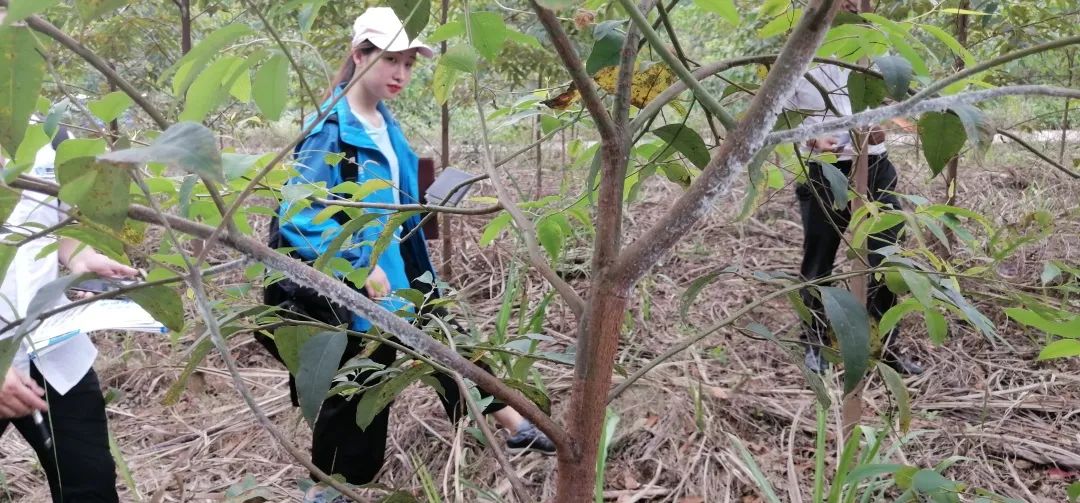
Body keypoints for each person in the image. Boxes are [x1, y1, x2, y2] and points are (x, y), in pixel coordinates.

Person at [260, 8, 553, 500]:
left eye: (409, 64)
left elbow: (394, 199)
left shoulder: (383, 121)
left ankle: (514, 422)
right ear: (359, 56)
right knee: (357, 403)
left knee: (450, 347)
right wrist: (360, 264)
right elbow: (300, 213)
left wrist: (436, 202)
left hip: (406, 273)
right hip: (359, 294)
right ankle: (331, 491)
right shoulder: (330, 129)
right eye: (390, 60)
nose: (401, 73)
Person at [0, 124, 140, 502]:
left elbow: (61, 222)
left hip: (50, 348)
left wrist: (83, 257)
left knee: (89, 482)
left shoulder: (52, 136)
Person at [787, 0, 923, 376]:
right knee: (819, 260)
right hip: (825, 170)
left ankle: (883, 345)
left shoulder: (875, 49)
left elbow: (891, 103)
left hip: (875, 167)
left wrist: (882, 125)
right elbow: (781, 113)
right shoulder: (799, 51)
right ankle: (815, 341)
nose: (847, 4)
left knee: (885, 258)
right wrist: (813, 140)